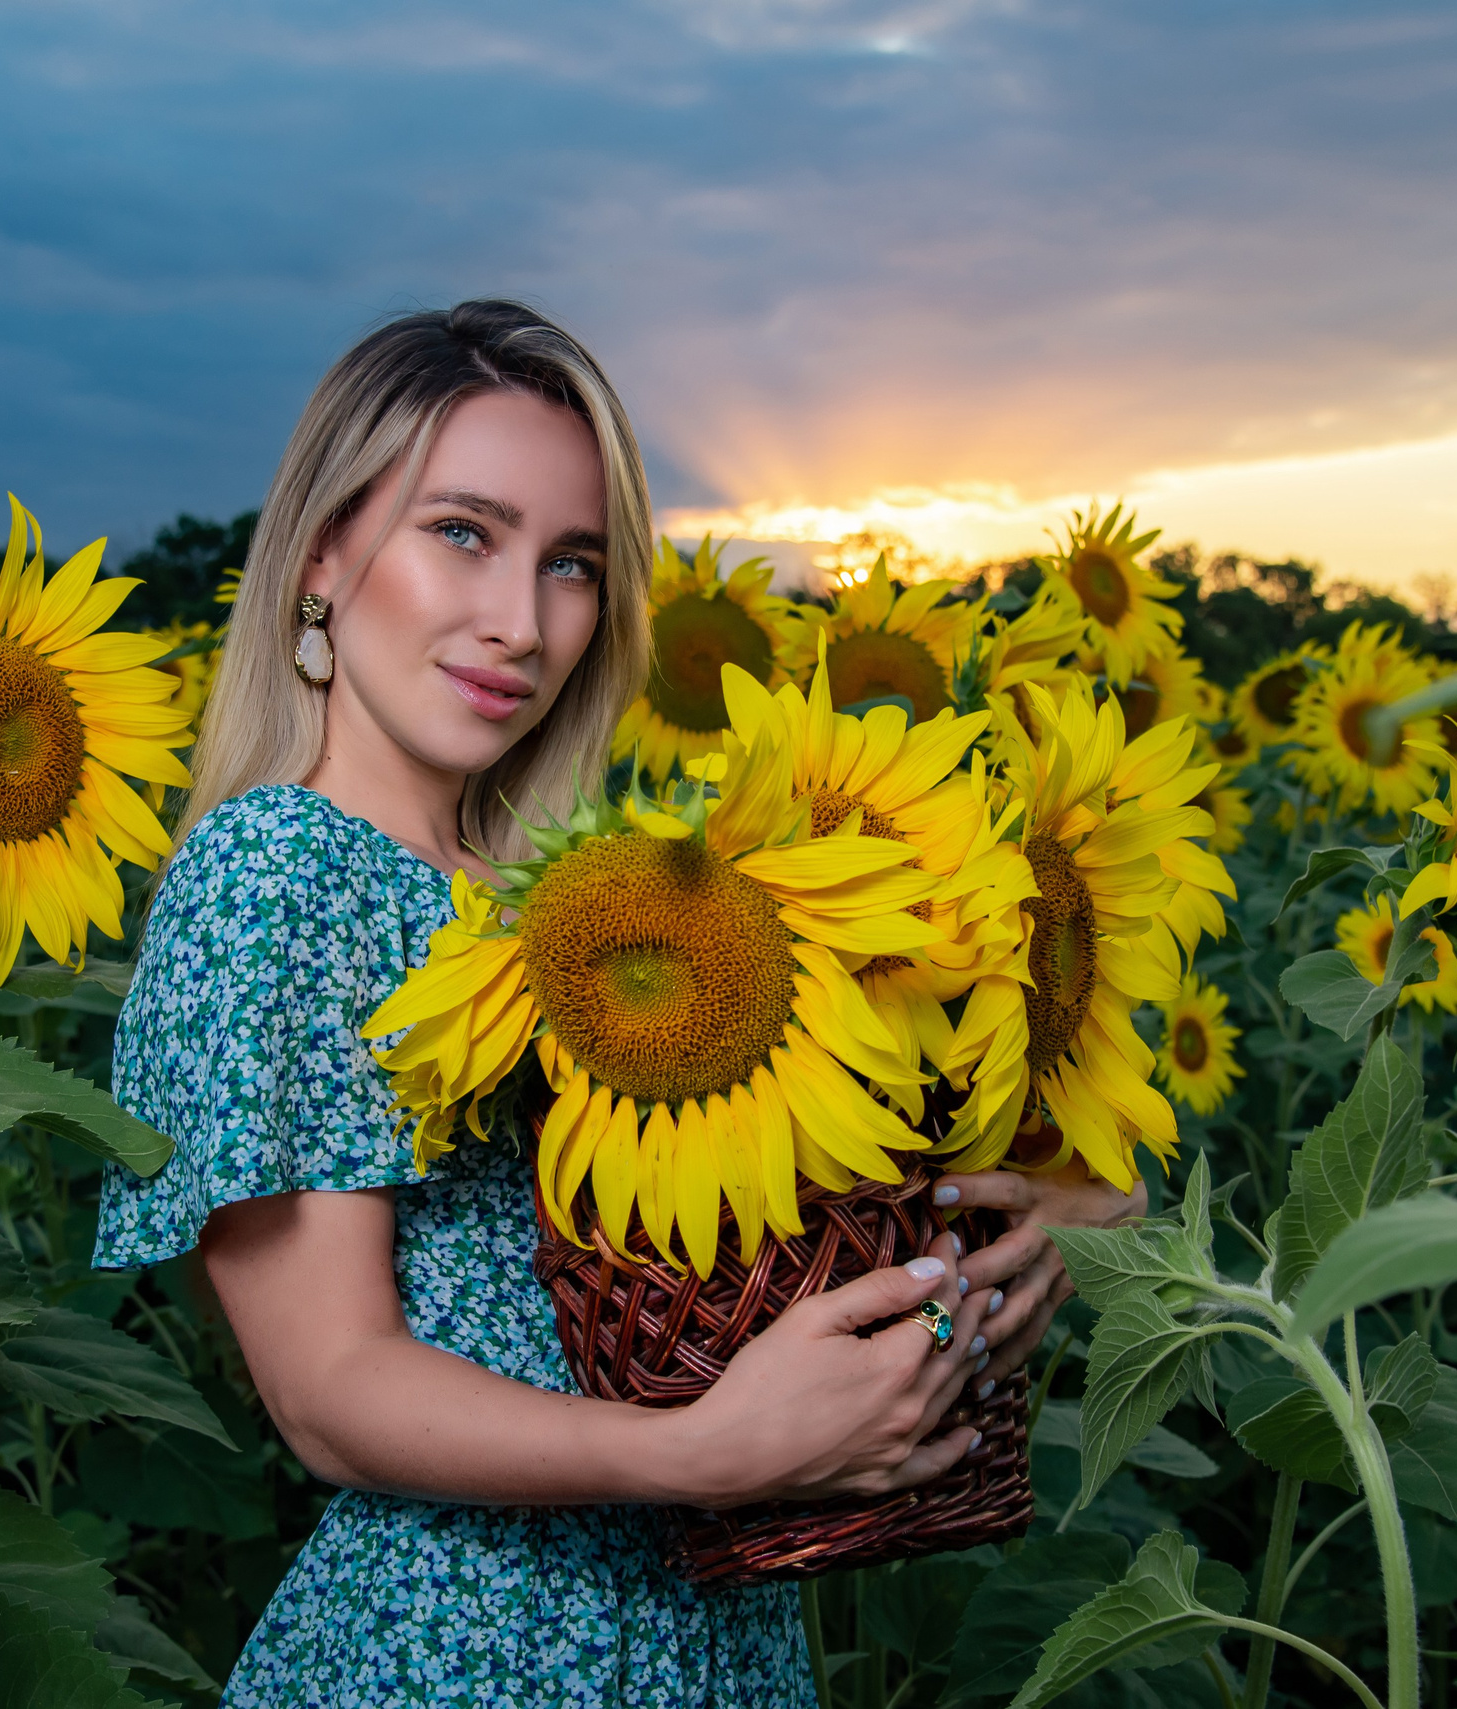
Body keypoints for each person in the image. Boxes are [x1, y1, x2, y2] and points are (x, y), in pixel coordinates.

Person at [92, 299, 1143, 1707]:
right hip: (470, 1646)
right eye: (462, 531)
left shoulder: (583, 889)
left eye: (573, 563)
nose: (523, 623)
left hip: (717, 1630)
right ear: (326, 553)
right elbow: (330, 1389)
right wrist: (698, 1453)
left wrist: (1034, 1234)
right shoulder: (275, 869)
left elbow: (769, 1201)